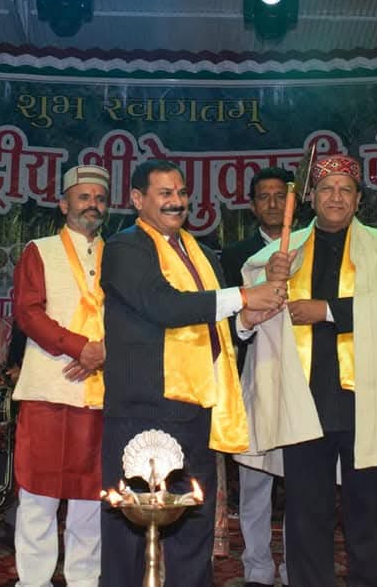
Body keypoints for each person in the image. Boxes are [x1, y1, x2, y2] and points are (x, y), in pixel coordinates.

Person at [242, 154, 377, 587]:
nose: (336, 197)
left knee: (370, 517)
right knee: (305, 518)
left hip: (365, 403)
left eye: (345, 189)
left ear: (358, 199)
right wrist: (269, 277)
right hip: (303, 403)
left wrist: (327, 310)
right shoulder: (284, 250)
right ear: (312, 197)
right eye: (327, 189)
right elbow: (250, 307)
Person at [99, 159, 287, 586]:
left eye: (181, 193)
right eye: (165, 193)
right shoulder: (126, 248)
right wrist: (245, 296)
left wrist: (247, 320)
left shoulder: (199, 252)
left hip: (196, 407)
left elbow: (214, 325)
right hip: (143, 409)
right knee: (130, 526)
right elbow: (164, 306)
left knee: (192, 524)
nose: (177, 202)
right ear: (137, 199)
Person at [10, 164, 110, 587]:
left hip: (101, 390)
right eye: (83, 197)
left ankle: (84, 580)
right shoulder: (40, 250)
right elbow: (28, 312)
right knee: (39, 492)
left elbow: (133, 313)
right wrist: (78, 347)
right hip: (48, 388)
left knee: (91, 496)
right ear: (64, 204)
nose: (92, 205)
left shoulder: (120, 254)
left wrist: (104, 351)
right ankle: (33, 581)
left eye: (100, 198)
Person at [220, 166, 294, 587]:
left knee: (300, 478)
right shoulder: (235, 256)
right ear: (252, 206)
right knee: (255, 476)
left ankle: (296, 565)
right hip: (252, 371)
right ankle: (258, 568)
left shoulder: (309, 245)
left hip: (301, 377)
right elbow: (226, 321)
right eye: (264, 196)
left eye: (280, 196)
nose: (273, 203)